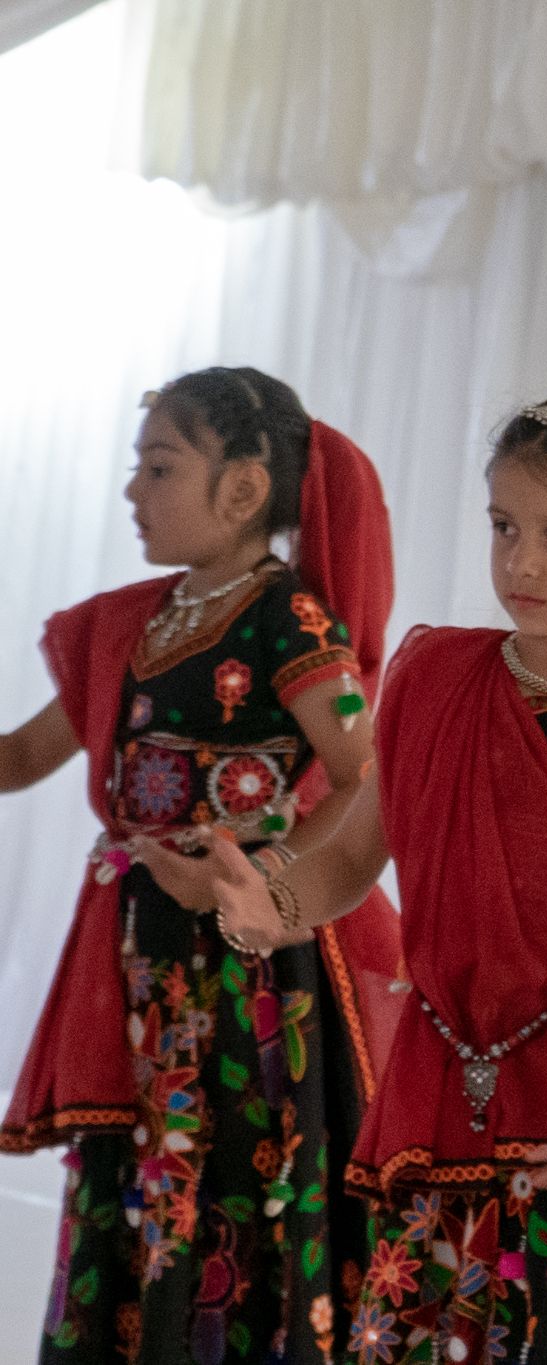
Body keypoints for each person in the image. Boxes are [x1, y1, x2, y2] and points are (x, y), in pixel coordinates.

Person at [144, 391, 547, 1364]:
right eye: (504, 526)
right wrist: (269, 903)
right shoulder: (434, 679)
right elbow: (350, 857)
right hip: (442, 1064)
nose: (522, 561)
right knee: (419, 1327)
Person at [0, 367, 402, 1362]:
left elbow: (362, 771)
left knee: (229, 1178)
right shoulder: (135, 625)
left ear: (240, 489)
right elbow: (18, 759)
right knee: (139, 1174)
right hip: (141, 954)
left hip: (242, 968)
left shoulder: (287, 620)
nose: (133, 493)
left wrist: (269, 886)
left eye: (158, 467)